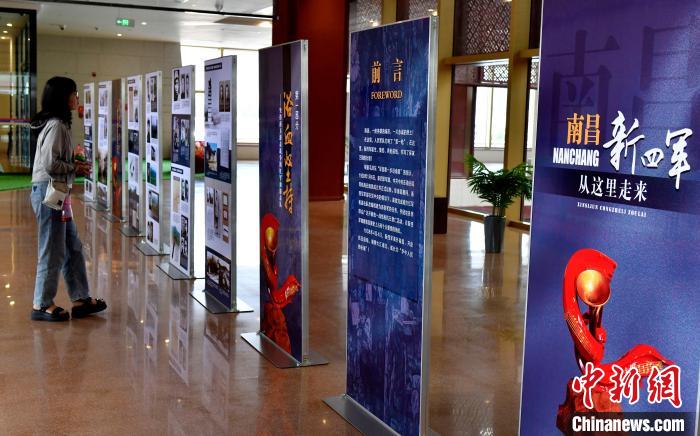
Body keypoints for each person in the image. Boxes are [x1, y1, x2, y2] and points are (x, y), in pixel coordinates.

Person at [30, 76, 107, 322]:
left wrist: (72, 165)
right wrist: (74, 167)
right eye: (74, 93)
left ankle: (80, 298)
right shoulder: (56, 126)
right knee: (52, 249)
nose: (77, 98)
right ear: (64, 97)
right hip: (49, 193)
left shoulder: (57, 124)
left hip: (58, 193)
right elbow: (50, 163)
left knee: (72, 246)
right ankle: (41, 304)